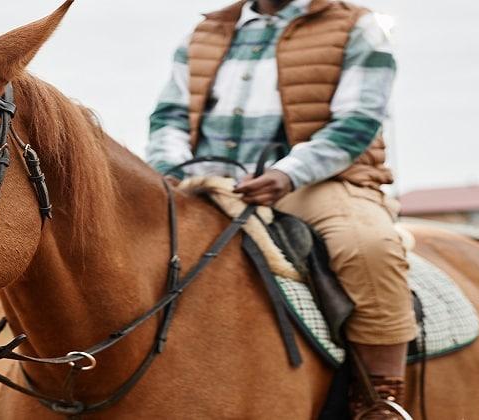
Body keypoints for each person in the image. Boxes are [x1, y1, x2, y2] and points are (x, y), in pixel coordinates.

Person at [146, 0, 415, 417]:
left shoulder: (357, 25)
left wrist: (288, 173)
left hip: (314, 181)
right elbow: (169, 116)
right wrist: (171, 171)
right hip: (204, 183)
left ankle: (380, 398)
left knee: (368, 247)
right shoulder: (206, 32)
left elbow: (359, 120)